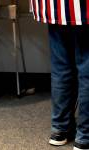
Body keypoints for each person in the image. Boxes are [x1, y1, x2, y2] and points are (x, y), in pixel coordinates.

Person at [30, 0, 89, 149]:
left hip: (55, 5)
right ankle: (85, 136)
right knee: (86, 70)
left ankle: (60, 130)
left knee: (60, 68)